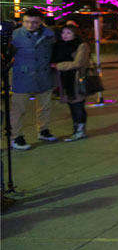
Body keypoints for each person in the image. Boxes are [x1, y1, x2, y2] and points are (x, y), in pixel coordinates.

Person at [8, 9, 57, 150]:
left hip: (43, 75)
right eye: (26, 22)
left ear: (41, 21)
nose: (30, 25)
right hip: (22, 76)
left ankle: (43, 130)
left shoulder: (50, 35)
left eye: (34, 22)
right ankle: (16, 136)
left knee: (45, 106)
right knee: (18, 109)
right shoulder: (15, 35)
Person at [51, 24, 91, 141]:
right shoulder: (60, 45)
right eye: (63, 33)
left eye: (68, 33)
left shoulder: (81, 46)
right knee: (72, 106)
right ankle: (76, 130)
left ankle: (80, 131)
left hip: (77, 80)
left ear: (75, 33)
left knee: (78, 105)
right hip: (65, 81)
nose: (65, 35)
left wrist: (58, 65)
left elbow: (77, 63)